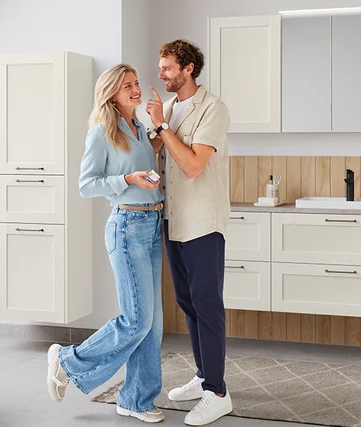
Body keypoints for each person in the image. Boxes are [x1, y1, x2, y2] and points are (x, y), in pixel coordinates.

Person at [45, 63, 166, 424]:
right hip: (126, 228)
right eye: (127, 85)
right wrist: (126, 178)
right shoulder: (102, 131)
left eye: (136, 82)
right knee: (136, 320)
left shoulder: (138, 127)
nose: (135, 88)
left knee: (152, 324)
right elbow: (87, 185)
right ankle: (68, 361)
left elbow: (146, 163)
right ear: (112, 92)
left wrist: (158, 134)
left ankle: (136, 399)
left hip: (153, 225)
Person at [145, 39, 232, 426]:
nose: (161, 74)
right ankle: (203, 375)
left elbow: (194, 164)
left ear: (188, 69)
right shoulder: (167, 108)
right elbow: (160, 156)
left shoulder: (213, 108)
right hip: (174, 219)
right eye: (161, 67)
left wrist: (162, 128)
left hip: (202, 222)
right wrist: (150, 131)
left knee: (207, 305)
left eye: (167, 68)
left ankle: (217, 393)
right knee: (187, 303)